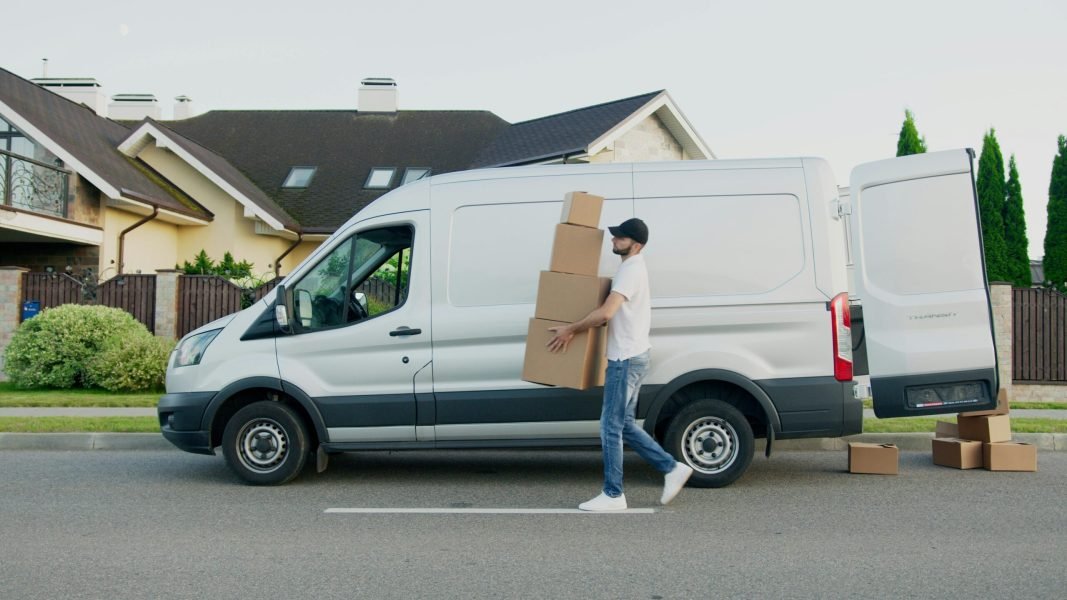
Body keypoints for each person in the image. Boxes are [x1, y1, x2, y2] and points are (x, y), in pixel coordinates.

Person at [547, 217, 692, 511]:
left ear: (635, 245)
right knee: (623, 424)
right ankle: (671, 467)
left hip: (625, 359)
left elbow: (605, 314)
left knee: (609, 426)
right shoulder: (632, 268)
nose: (613, 240)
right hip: (635, 355)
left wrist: (570, 330)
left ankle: (613, 494)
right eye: (615, 236)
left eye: (620, 237)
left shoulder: (631, 270)